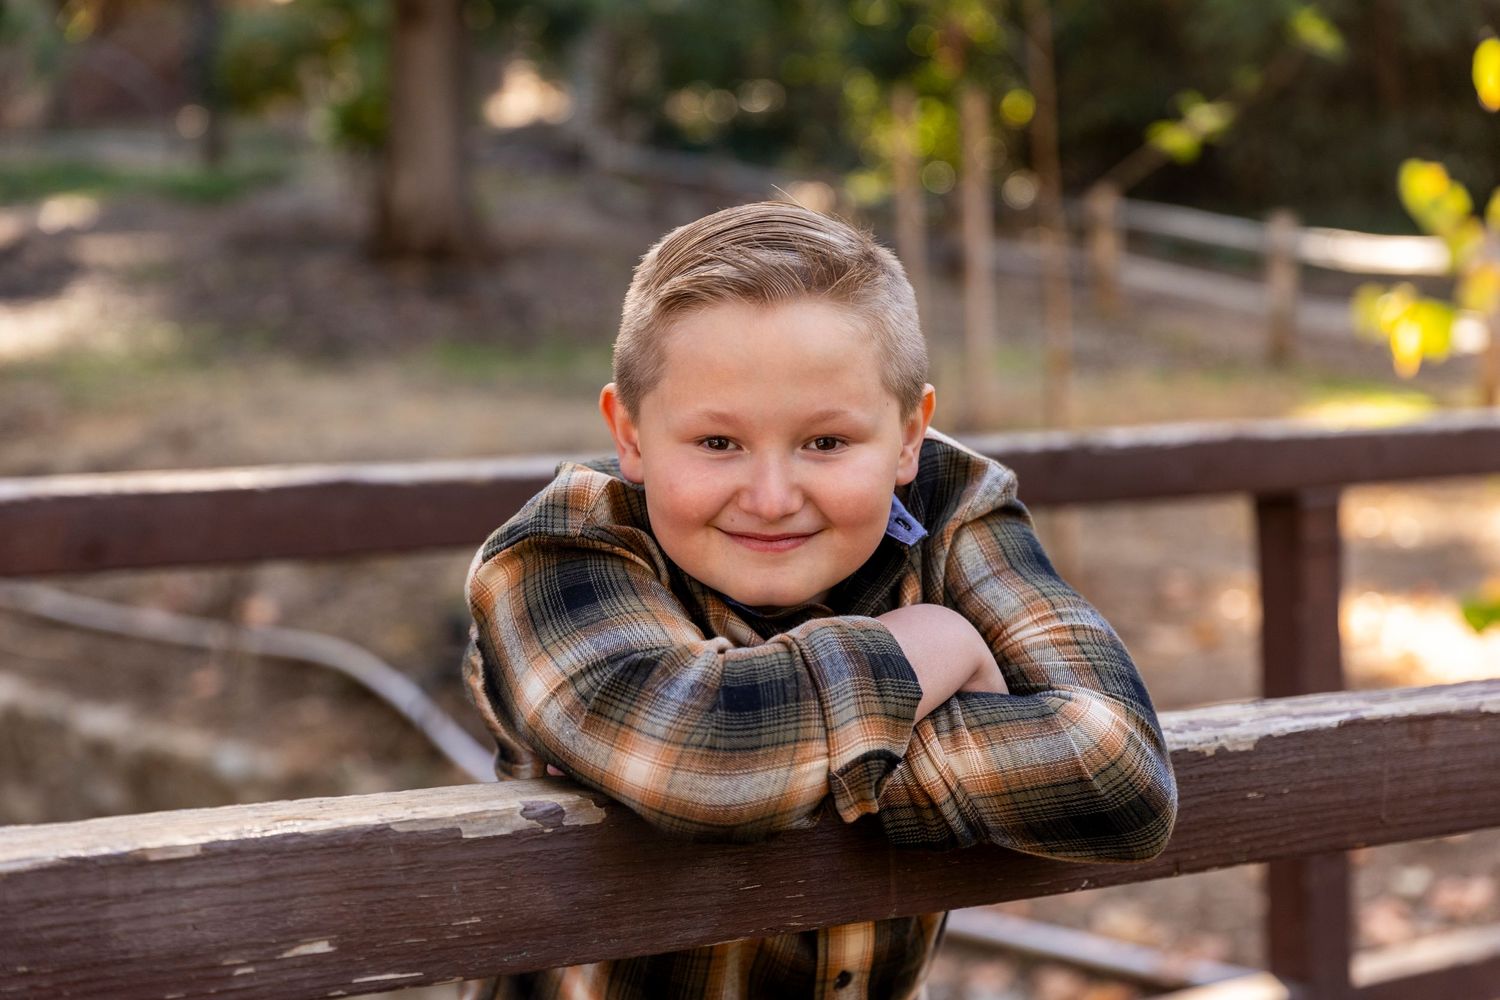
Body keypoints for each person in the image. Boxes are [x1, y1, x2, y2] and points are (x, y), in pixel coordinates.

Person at [461, 201, 1178, 999]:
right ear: (629, 434)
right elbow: (705, 759)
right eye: (718, 443)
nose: (771, 499)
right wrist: (927, 644)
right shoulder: (557, 552)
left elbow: (1120, 773)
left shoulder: (950, 507)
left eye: (826, 443)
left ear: (910, 436)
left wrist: (791, 767)